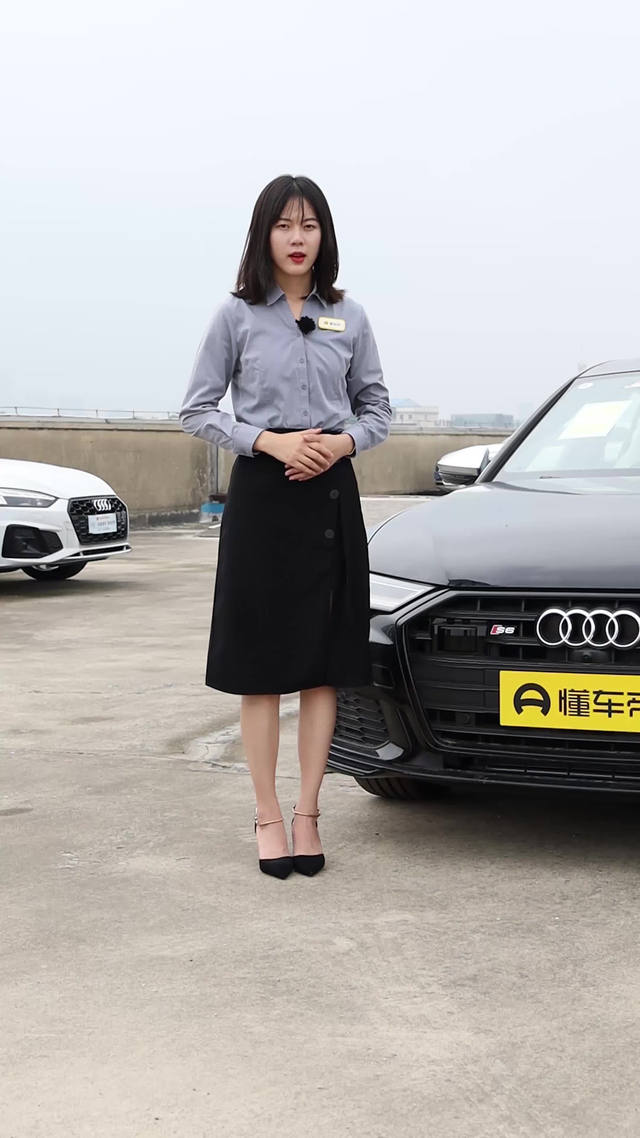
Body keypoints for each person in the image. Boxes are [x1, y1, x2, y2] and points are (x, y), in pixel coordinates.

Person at [180, 174, 391, 880]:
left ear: (324, 235)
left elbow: (377, 409)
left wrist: (342, 443)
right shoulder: (236, 316)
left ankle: (308, 813)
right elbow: (197, 409)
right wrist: (268, 442)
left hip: (329, 495)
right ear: (263, 234)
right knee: (262, 665)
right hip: (264, 499)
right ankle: (267, 814)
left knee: (324, 665)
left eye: (309, 225)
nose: (297, 239)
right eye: (284, 225)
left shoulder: (349, 316)